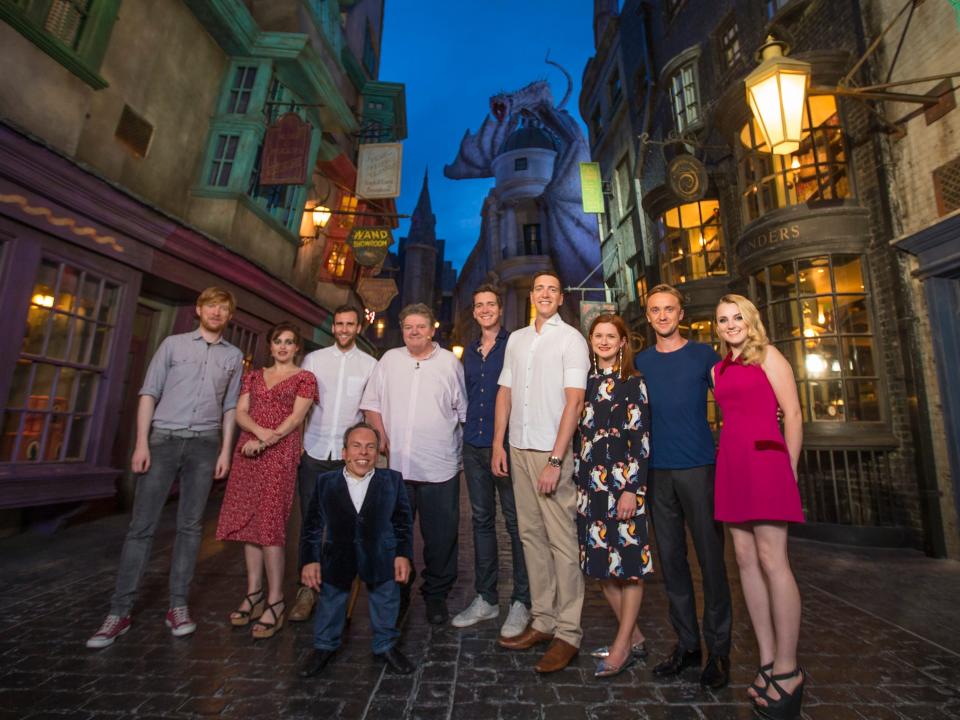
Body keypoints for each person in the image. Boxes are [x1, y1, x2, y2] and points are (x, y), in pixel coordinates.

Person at [87, 287, 243, 649]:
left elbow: (230, 407)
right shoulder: (173, 346)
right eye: (211, 306)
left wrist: (225, 451)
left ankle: (178, 607)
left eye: (223, 308)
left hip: (205, 444)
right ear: (199, 310)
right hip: (165, 439)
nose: (217, 312)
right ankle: (119, 612)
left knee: (190, 527)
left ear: (229, 316)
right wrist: (142, 442)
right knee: (142, 528)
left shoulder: (234, 356)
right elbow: (148, 393)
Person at [634, 284, 732, 688]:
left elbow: (733, 399)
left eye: (669, 309)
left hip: (699, 468)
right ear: (648, 315)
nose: (662, 316)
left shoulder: (704, 355)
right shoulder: (640, 362)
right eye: (655, 310)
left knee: (711, 561)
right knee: (672, 563)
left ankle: (720, 652)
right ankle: (688, 646)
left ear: (680, 313)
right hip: (657, 471)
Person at [712, 294, 805, 718]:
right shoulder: (719, 368)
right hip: (732, 463)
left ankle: (789, 670)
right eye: (723, 320)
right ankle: (767, 662)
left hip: (767, 463)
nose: (731, 325)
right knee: (745, 562)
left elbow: (794, 414)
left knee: (774, 561)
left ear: (751, 320)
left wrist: (790, 469)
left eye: (737, 318)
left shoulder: (769, 356)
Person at [493, 271, 589, 674]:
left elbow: (575, 402)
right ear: (531, 296)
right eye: (539, 289)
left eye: (552, 289)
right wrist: (498, 443)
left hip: (551, 452)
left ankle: (569, 631)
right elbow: (506, 392)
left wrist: (555, 458)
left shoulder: (571, 340)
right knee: (530, 536)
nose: (545, 294)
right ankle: (544, 620)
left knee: (562, 541)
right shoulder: (516, 339)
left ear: (560, 297)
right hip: (517, 446)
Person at [361, 303, 466, 625]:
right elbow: (371, 404)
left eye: (421, 326)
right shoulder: (389, 360)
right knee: (395, 535)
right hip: (397, 468)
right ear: (402, 329)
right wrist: (380, 435)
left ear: (433, 329)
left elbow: (461, 410)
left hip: (440, 467)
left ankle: (435, 596)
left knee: (441, 538)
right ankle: (400, 592)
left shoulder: (449, 363)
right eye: (409, 327)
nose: (415, 332)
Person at [215, 322, 317, 639]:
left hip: (279, 453)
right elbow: (241, 412)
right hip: (248, 451)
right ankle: (253, 593)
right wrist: (257, 435)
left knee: (271, 526)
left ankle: (276, 600)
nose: (283, 347)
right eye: (278, 341)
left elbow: (295, 419)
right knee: (249, 525)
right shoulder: (253, 376)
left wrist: (264, 441)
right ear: (270, 346)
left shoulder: (305, 378)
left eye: (289, 342)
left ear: (297, 348)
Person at [297, 422, 415, 677]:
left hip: (380, 554)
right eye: (357, 447)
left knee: (386, 599)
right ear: (344, 453)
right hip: (338, 554)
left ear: (377, 453)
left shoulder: (392, 480)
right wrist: (310, 560)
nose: (363, 453)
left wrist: (403, 554)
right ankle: (324, 646)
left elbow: (402, 522)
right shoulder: (326, 482)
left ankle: (386, 645)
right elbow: (312, 526)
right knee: (331, 601)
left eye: (370, 447)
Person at [451, 284, 532, 638]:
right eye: (479, 304)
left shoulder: (515, 345)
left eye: (490, 304)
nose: (485, 309)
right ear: (474, 311)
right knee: (481, 521)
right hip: (473, 445)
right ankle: (486, 598)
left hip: (509, 445)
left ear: (500, 309)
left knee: (517, 523)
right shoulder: (468, 351)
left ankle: (522, 601)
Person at [576, 314, 653, 679]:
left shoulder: (633, 384)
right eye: (598, 336)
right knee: (601, 570)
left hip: (623, 487)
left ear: (623, 342)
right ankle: (634, 638)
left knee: (630, 570)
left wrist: (631, 489)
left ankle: (622, 647)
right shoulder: (586, 383)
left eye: (611, 336)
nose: (604, 341)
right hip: (591, 488)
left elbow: (641, 440)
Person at [289, 305, 376, 623]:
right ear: (333, 327)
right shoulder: (313, 360)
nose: (343, 329)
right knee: (311, 524)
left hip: (346, 458)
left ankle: (336, 592)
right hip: (313, 450)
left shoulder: (370, 365)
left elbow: (369, 414)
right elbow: (302, 405)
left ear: (358, 328)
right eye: (339, 324)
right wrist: (297, 442)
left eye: (349, 324)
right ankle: (306, 590)